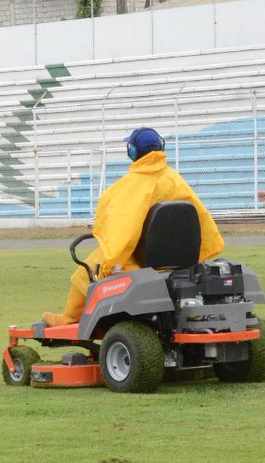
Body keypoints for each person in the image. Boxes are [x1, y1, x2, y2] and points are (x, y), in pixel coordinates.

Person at [42, 127, 224, 326]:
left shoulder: (130, 184)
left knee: (84, 274)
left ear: (133, 152)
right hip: (182, 259)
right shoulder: (176, 180)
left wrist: (112, 259)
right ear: (161, 147)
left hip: (141, 259)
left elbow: (121, 231)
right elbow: (201, 218)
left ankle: (68, 319)